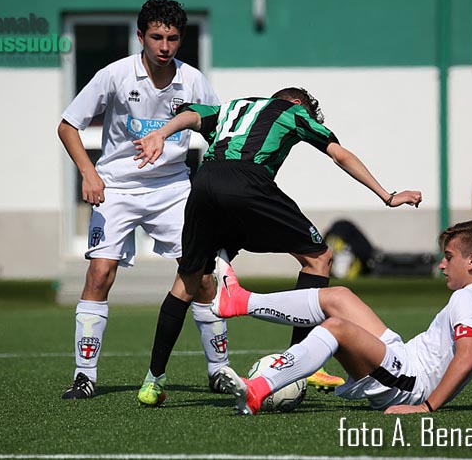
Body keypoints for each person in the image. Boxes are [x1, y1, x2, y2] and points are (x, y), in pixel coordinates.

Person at [133, 87, 423, 404]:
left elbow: (191, 115)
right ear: (298, 103)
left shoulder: (234, 106)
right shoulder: (291, 111)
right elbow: (339, 153)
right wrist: (387, 196)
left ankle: (153, 382)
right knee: (319, 258)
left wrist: (160, 134)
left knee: (186, 281)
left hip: (204, 183)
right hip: (248, 181)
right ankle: (303, 362)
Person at [58, 0, 227, 401]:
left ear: (180, 39)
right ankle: (85, 376)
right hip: (115, 187)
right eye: (156, 37)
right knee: (100, 274)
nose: (164, 46)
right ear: (141, 36)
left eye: (172, 38)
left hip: (173, 189)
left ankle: (219, 371)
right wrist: (89, 172)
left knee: (203, 277)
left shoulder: (194, 80)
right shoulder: (114, 75)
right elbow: (67, 126)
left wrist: (212, 187)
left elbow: (219, 131)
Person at [211, 219, 472, 415]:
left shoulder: (467, 299)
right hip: (404, 359)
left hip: (410, 385)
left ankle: (257, 389)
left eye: (448, 257)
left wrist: (427, 408)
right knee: (340, 297)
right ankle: (239, 301)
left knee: (337, 328)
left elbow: (466, 358)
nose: (442, 264)